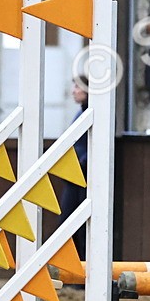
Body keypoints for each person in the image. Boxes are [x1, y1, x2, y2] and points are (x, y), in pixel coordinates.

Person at [57, 75, 90, 255]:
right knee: (69, 223)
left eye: (78, 87)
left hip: (83, 176)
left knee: (80, 226)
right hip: (76, 175)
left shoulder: (90, 113)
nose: (73, 91)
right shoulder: (82, 113)